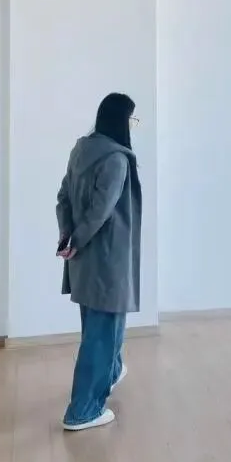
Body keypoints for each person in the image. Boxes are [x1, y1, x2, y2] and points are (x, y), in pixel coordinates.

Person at [56, 93, 142, 432]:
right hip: (107, 259)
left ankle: (112, 371)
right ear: (121, 120)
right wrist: (77, 238)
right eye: (132, 119)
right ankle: (83, 411)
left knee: (99, 328)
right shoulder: (116, 159)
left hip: (83, 260)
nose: (133, 126)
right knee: (101, 335)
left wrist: (68, 237)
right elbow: (101, 211)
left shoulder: (82, 150)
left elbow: (63, 197)